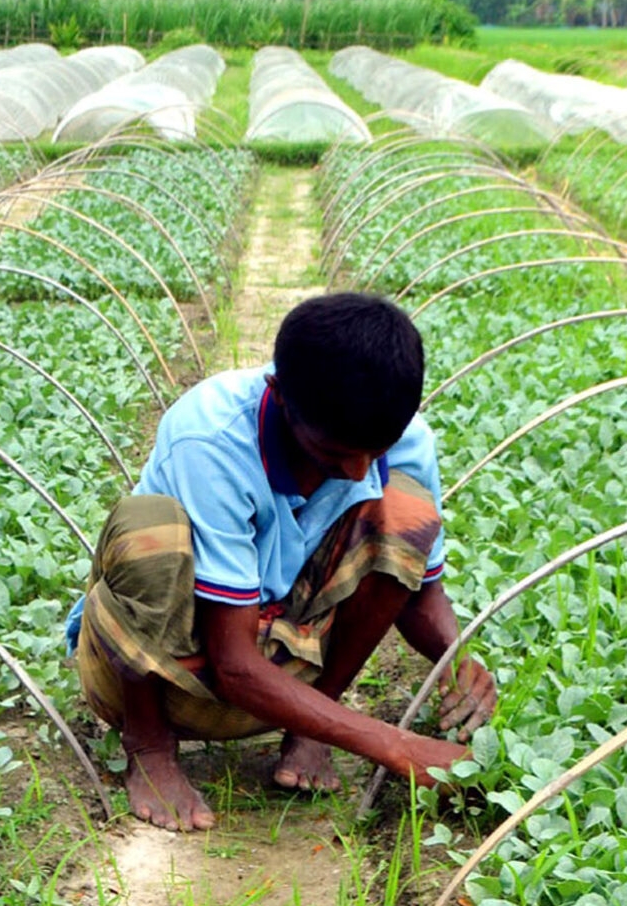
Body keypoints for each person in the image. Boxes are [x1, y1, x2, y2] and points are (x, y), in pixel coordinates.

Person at [68, 292, 497, 832]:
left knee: (404, 508)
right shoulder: (212, 437)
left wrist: (456, 662)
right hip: (165, 669)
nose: (357, 469)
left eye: (374, 449)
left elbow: (421, 590)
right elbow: (233, 664)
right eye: (333, 451)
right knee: (148, 528)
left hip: (283, 673)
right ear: (281, 396)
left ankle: (312, 726)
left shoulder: (403, 439)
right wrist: (396, 745)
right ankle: (149, 746)